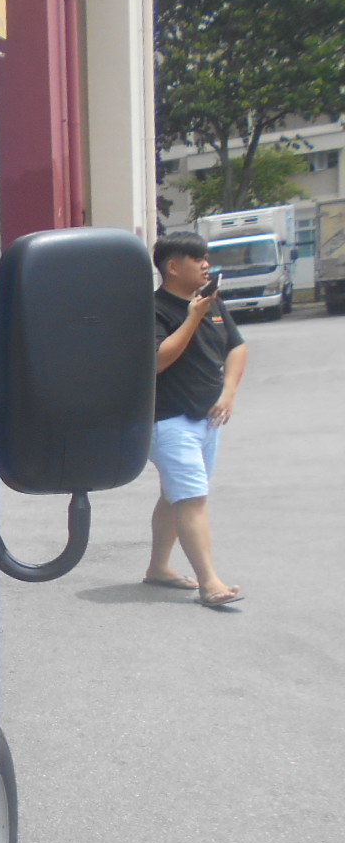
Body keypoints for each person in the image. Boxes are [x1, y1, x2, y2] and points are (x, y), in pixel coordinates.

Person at [143, 232, 248, 608]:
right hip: (169, 420)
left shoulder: (212, 301)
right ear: (173, 267)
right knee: (192, 498)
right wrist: (193, 319)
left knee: (175, 495)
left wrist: (228, 392)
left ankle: (158, 568)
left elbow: (236, 346)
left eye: (206, 257)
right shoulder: (152, 308)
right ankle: (210, 582)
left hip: (208, 419)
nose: (207, 265)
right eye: (197, 258)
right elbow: (157, 361)